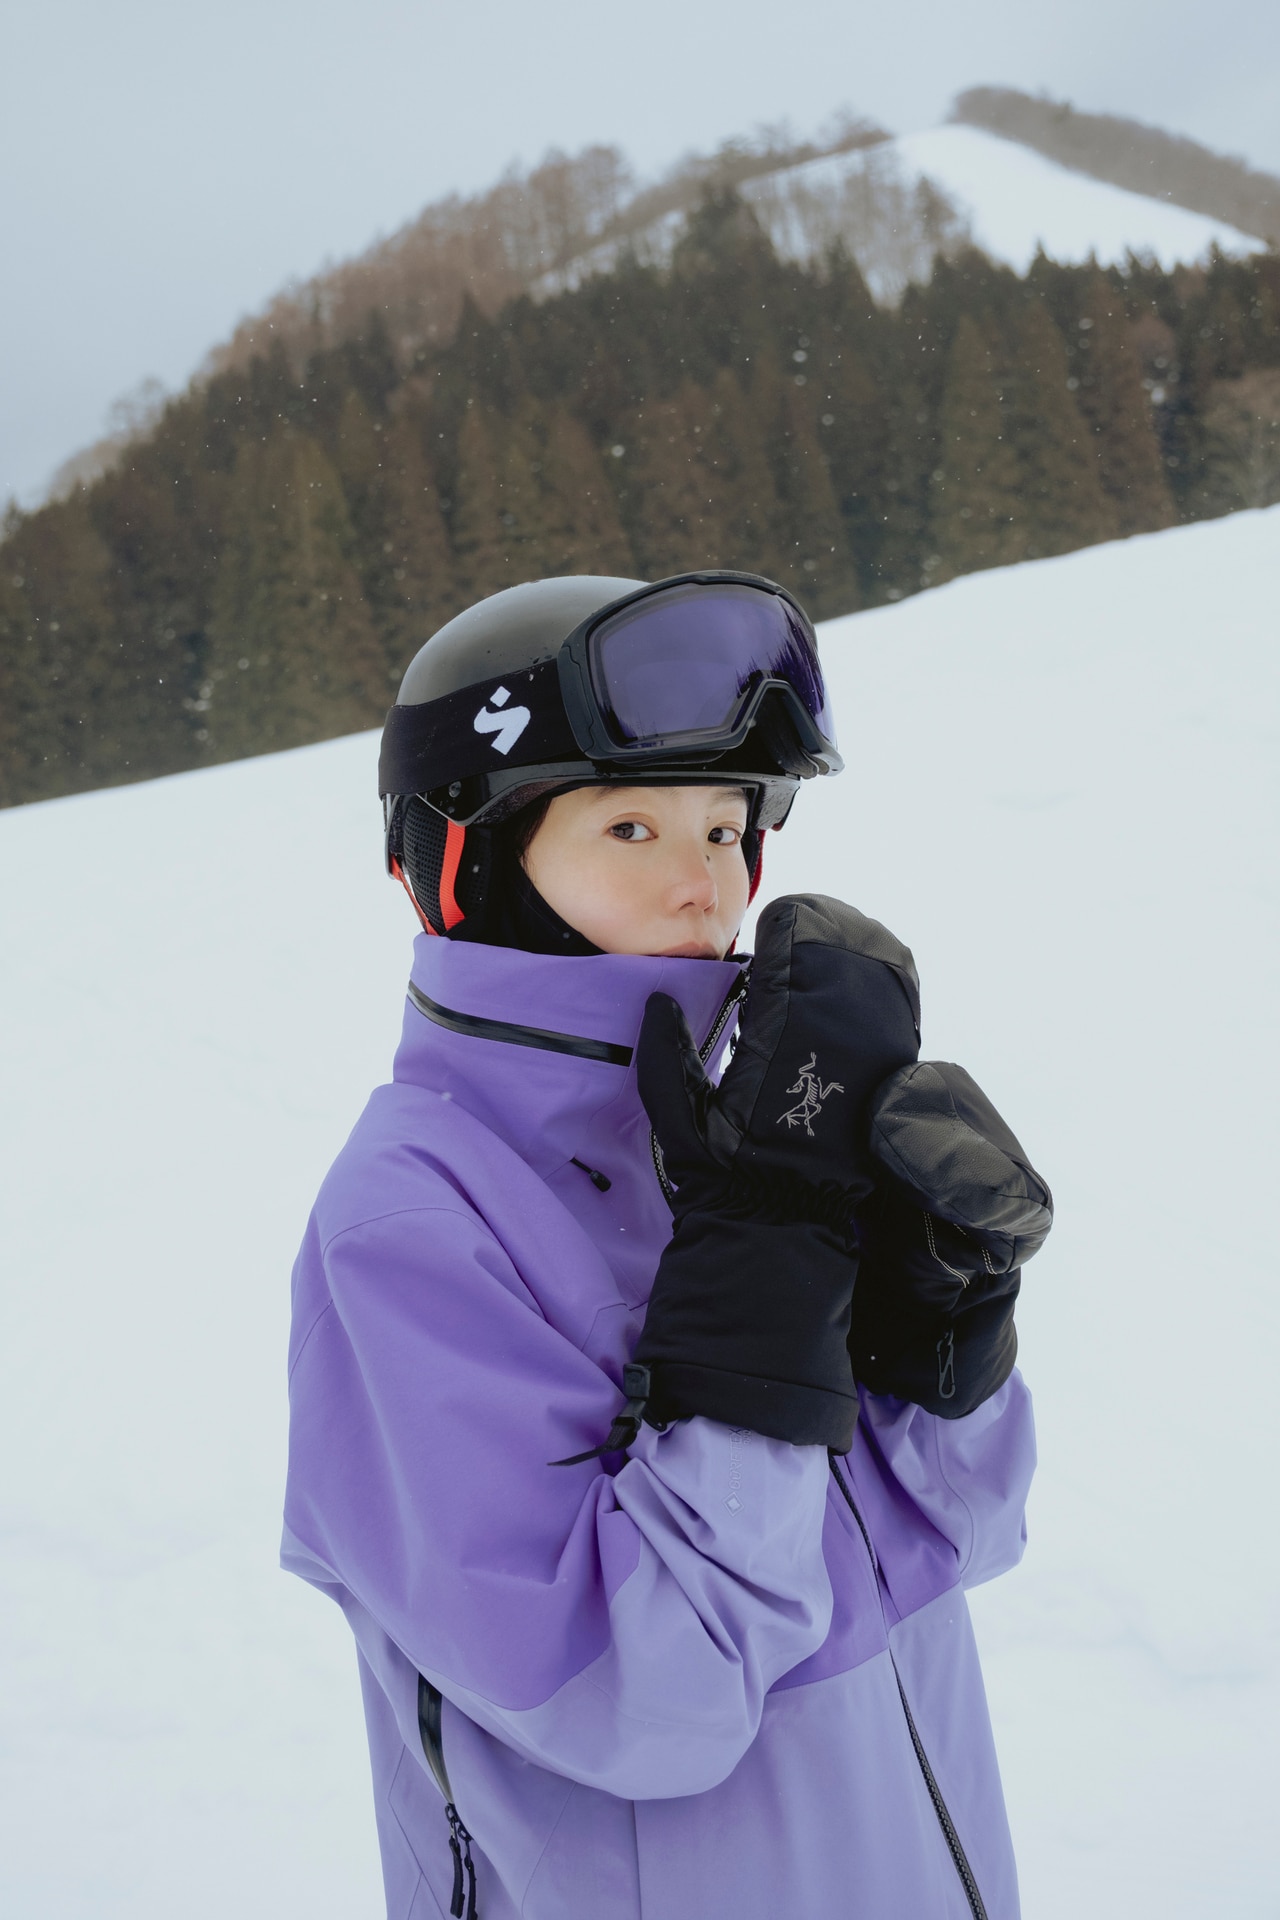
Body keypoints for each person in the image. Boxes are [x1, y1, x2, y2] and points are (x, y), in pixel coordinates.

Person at [282, 571, 1049, 1920]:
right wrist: (765, 1273)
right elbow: (647, 1705)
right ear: (465, 862)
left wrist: (945, 1346)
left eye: (729, 824)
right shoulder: (407, 1227)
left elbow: (967, 1542)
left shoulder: (758, 1128)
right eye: (631, 825)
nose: (707, 885)